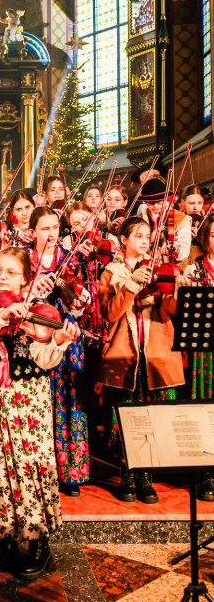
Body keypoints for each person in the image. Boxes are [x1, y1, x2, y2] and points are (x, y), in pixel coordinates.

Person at [0, 247, 80, 579]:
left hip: (27, 400)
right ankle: (3, 536)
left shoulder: (37, 311)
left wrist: (57, 340)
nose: (1, 275)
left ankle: (37, 540)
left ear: (26, 279)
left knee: (30, 466)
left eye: (10, 271)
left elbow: (44, 359)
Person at [99, 216, 186, 503]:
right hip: (124, 352)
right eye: (137, 235)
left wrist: (173, 288)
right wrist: (131, 285)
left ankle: (146, 476)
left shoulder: (159, 267)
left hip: (156, 352)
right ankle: (127, 471)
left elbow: (170, 310)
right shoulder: (111, 272)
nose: (144, 239)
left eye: (147, 235)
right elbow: (109, 313)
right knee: (127, 416)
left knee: (152, 415)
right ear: (123, 239)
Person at [27, 207, 90, 497]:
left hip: (66, 333)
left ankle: (71, 471)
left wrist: (80, 301)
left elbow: (82, 294)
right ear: (33, 231)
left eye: (55, 228)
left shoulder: (70, 259)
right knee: (41, 399)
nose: (51, 234)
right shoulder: (23, 258)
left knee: (69, 400)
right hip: (37, 335)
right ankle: (41, 469)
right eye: (44, 228)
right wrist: (32, 288)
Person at [183, 216, 214, 500]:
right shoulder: (195, 268)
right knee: (204, 407)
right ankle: (205, 472)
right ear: (205, 238)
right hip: (205, 350)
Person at [137, 177, 192, 262]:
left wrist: (174, 250)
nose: (155, 206)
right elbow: (132, 248)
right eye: (151, 203)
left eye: (159, 202)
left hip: (174, 268)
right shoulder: (137, 220)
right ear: (145, 202)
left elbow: (184, 246)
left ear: (165, 199)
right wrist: (149, 240)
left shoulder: (180, 218)